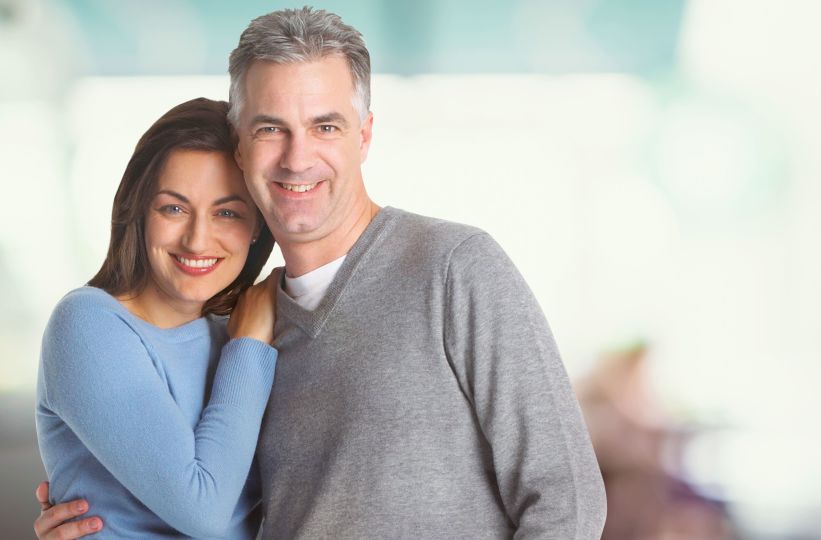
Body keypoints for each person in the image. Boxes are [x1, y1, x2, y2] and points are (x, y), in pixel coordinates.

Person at [37, 7, 607, 538]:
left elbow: (567, 498)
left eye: (325, 126)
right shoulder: (245, 335)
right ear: (240, 146)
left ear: (364, 136)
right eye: (270, 128)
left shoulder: (455, 269)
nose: (296, 157)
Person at [33, 97, 281, 538]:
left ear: (258, 224)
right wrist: (249, 348)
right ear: (139, 210)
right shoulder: (88, 323)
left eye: (227, 212)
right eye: (174, 208)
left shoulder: (241, 332)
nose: (197, 238)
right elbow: (202, 512)